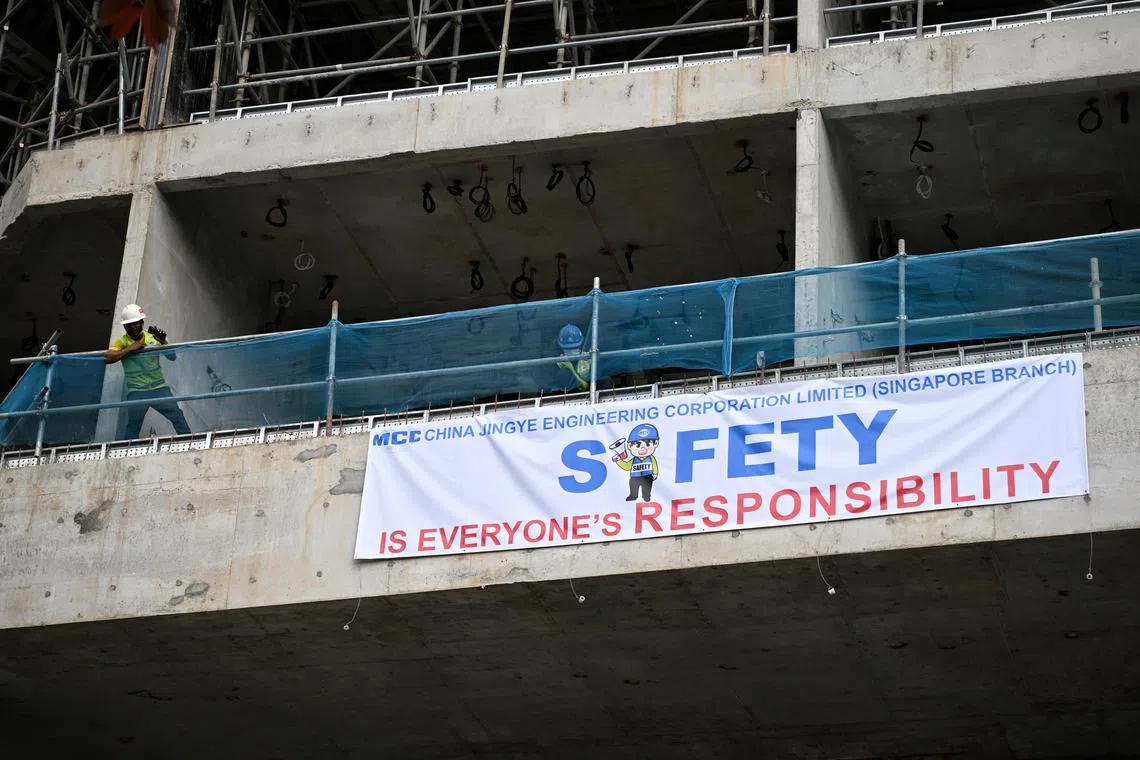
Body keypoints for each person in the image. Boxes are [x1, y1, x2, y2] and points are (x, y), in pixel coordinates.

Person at [103, 304, 191, 439]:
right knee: (133, 425)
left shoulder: (153, 338)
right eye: (129, 325)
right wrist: (129, 349)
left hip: (159, 389)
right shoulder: (122, 342)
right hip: (137, 392)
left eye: (135, 323)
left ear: (142, 322)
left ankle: (189, 441)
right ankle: (128, 453)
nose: (132, 327)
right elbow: (107, 358)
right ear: (124, 327)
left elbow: (172, 357)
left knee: (177, 416)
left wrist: (164, 342)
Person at [611, 423, 660, 502]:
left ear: (656, 444)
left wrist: (655, 473)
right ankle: (633, 496)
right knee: (633, 486)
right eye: (637, 445)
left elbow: (654, 465)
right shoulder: (634, 459)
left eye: (648, 444)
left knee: (646, 488)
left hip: (647, 476)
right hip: (635, 477)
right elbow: (627, 466)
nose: (643, 448)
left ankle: (646, 497)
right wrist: (618, 461)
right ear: (630, 446)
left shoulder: (651, 457)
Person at [555, 324, 591, 391]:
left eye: (574, 347)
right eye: (567, 348)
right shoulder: (559, 361)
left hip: (591, 388)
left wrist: (594, 357)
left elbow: (597, 371)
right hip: (569, 393)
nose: (571, 351)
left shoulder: (587, 356)